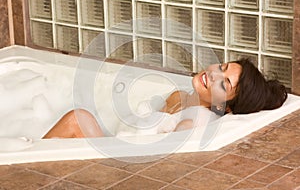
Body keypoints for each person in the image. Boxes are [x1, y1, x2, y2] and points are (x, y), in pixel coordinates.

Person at [43, 58, 287, 139]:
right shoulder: (179, 96)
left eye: (224, 83)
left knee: (77, 119)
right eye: (221, 66)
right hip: (116, 147)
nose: (213, 73)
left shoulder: (195, 121)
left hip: (120, 171)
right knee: (80, 117)